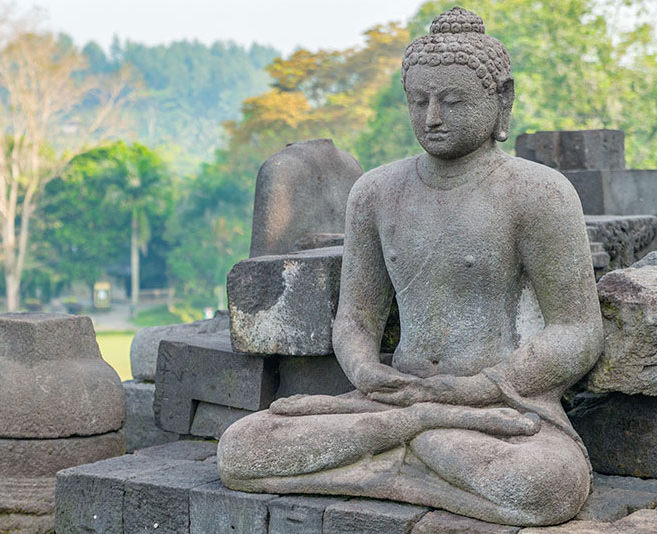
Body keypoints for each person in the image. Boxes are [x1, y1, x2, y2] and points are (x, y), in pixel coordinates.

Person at [217, 7, 603, 527]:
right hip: (391, 401)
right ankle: (414, 442)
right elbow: (356, 318)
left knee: (545, 483)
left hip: (494, 411)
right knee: (242, 447)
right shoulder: (376, 192)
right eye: (418, 101)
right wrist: (365, 371)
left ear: (501, 99)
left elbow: (577, 330)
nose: (432, 118)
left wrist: (483, 386)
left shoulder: (537, 193)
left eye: (452, 100)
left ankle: (390, 454)